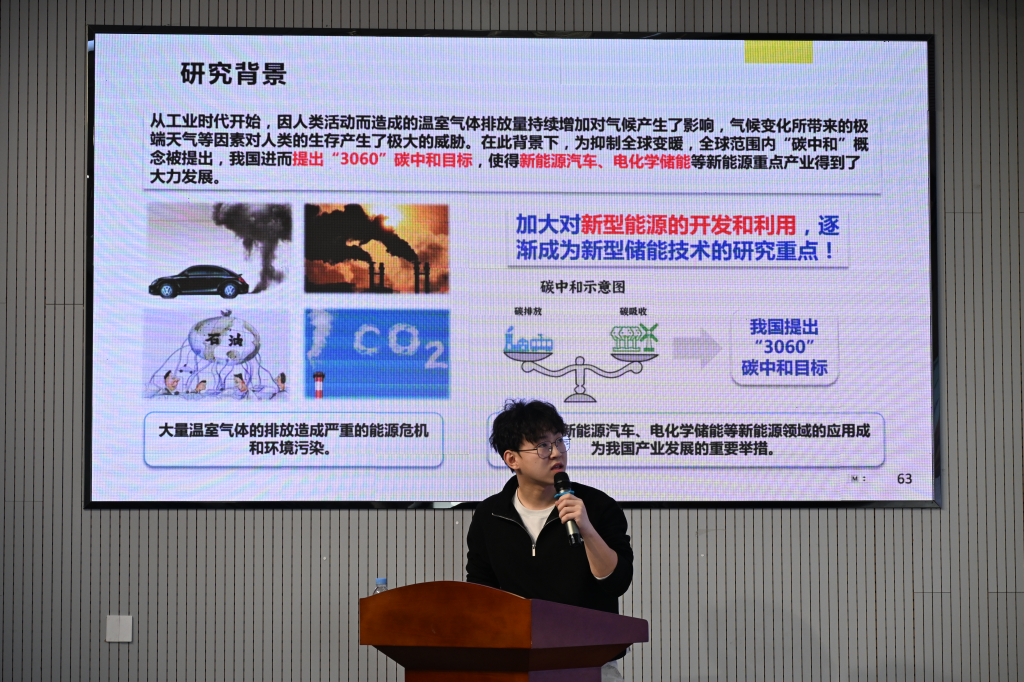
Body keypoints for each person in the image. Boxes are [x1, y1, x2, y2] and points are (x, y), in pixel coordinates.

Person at [466, 399, 633, 681]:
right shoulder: (490, 515)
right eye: (543, 446)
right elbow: (481, 592)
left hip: (590, 662)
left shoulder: (597, 505)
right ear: (512, 459)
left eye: (559, 441)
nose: (556, 452)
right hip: (517, 661)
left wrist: (586, 528)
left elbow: (618, 582)